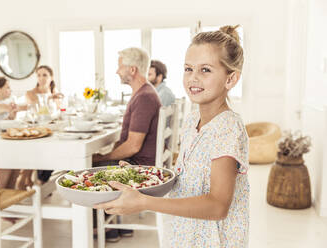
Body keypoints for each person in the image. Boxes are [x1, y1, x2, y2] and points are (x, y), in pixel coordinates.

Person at [94, 25, 249, 247]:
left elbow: (218, 206)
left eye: (205, 70)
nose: (193, 78)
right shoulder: (192, 119)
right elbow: (185, 179)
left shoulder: (228, 128)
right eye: (188, 69)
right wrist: (143, 176)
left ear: (230, 79)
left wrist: (144, 202)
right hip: (184, 233)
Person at [92, 47, 162, 241]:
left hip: (137, 165)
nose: (117, 71)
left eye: (120, 66)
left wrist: (102, 157)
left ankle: (104, 228)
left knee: (88, 167)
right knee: (97, 161)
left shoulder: (144, 97)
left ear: (132, 70)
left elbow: (132, 147)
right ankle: (115, 224)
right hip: (137, 160)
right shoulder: (143, 93)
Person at [25, 65, 63, 184]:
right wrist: (49, 99)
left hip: (53, 130)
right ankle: (41, 180)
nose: (41, 78)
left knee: (58, 149)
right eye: (39, 75)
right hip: (37, 131)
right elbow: (41, 113)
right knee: (49, 149)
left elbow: (60, 112)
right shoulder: (31, 93)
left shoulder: (54, 93)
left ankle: (43, 181)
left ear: (51, 77)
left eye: (45, 75)